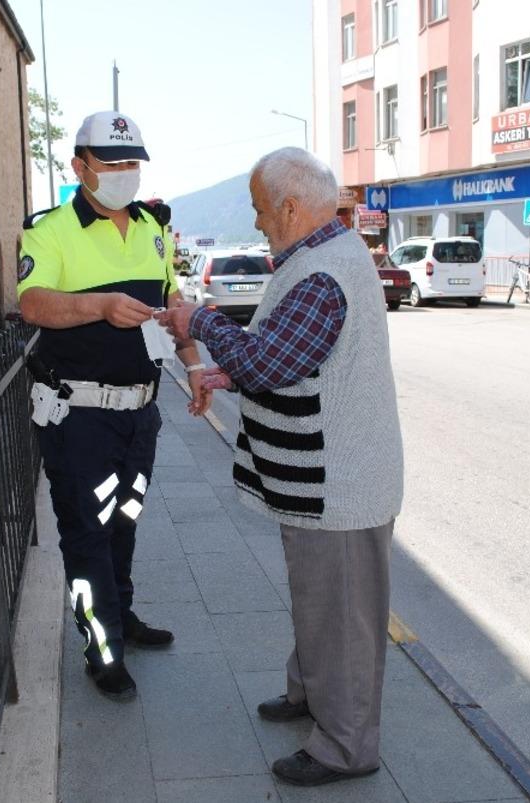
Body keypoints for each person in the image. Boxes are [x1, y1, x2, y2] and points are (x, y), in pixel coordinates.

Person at [158, 147, 404, 786]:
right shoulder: (322, 260)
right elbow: (290, 363)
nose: (261, 222)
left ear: (293, 207)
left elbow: (268, 362)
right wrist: (221, 371)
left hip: (339, 487)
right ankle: (309, 693)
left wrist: (200, 319)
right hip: (322, 482)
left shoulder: (323, 273)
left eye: (263, 211)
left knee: (341, 616)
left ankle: (345, 748)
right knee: (319, 602)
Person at [17, 111, 213, 701]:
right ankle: (101, 649)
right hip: (79, 418)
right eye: (113, 163)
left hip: (139, 414)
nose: (126, 174)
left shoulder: (153, 227)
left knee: (123, 520)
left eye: (133, 163)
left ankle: (120, 615)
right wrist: (100, 306)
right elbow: (33, 305)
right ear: (80, 167)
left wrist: (196, 365)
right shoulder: (48, 231)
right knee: (86, 533)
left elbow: (173, 301)